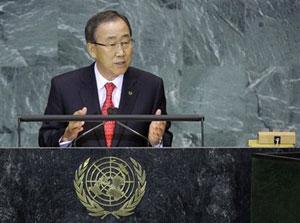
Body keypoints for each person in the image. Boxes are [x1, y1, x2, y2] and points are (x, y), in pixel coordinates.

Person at [38, 10, 172, 147]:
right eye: (112, 44)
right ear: (92, 49)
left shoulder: (151, 86)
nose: (121, 52)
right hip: (80, 168)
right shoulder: (64, 87)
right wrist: (67, 136)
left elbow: (166, 138)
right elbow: (45, 139)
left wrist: (156, 142)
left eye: (126, 42)